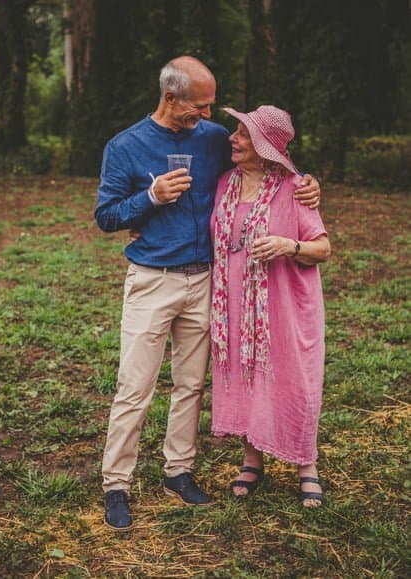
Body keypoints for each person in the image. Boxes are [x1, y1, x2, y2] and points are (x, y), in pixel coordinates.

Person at [94, 56, 321, 530]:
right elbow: (106, 216)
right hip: (152, 279)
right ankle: (117, 484)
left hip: (206, 282)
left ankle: (178, 472)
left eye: (210, 106)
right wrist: (150, 197)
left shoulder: (214, 139)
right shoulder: (126, 146)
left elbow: (269, 165)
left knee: (191, 385)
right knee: (135, 386)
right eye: (200, 106)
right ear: (170, 97)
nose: (208, 114)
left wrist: (308, 185)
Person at [210, 105, 330, 507]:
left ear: (264, 146)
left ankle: (306, 464)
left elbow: (323, 248)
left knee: (295, 380)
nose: (233, 138)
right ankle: (252, 459)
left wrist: (288, 245)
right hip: (236, 305)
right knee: (248, 374)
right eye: (236, 131)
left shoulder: (295, 188)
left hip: (286, 305)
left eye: (243, 133)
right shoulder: (223, 183)